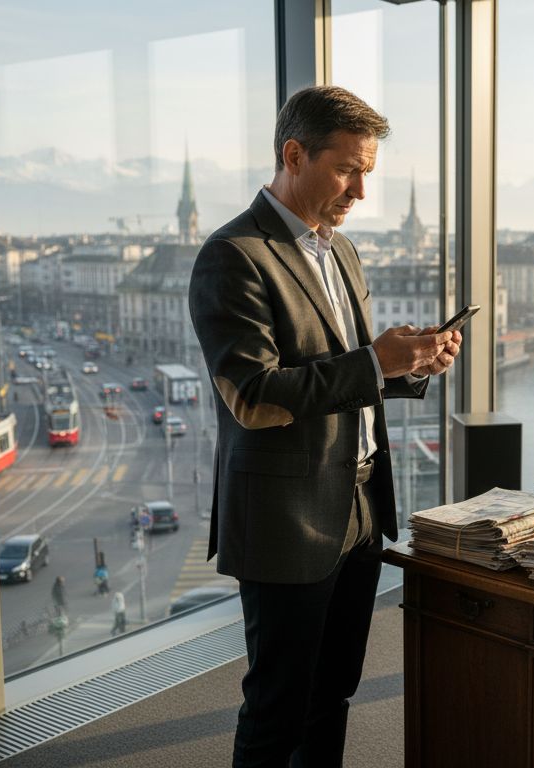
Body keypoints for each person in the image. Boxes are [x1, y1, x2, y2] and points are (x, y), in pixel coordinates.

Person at [189, 85, 460, 768]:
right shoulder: (233, 256)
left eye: (368, 171)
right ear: (293, 154)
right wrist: (376, 361)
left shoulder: (341, 252)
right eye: (347, 169)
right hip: (287, 515)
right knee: (279, 707)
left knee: (334, 694)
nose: (361, 191)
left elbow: (345, 377)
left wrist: (412, 366)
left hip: (361, 504)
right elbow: (253, 396)